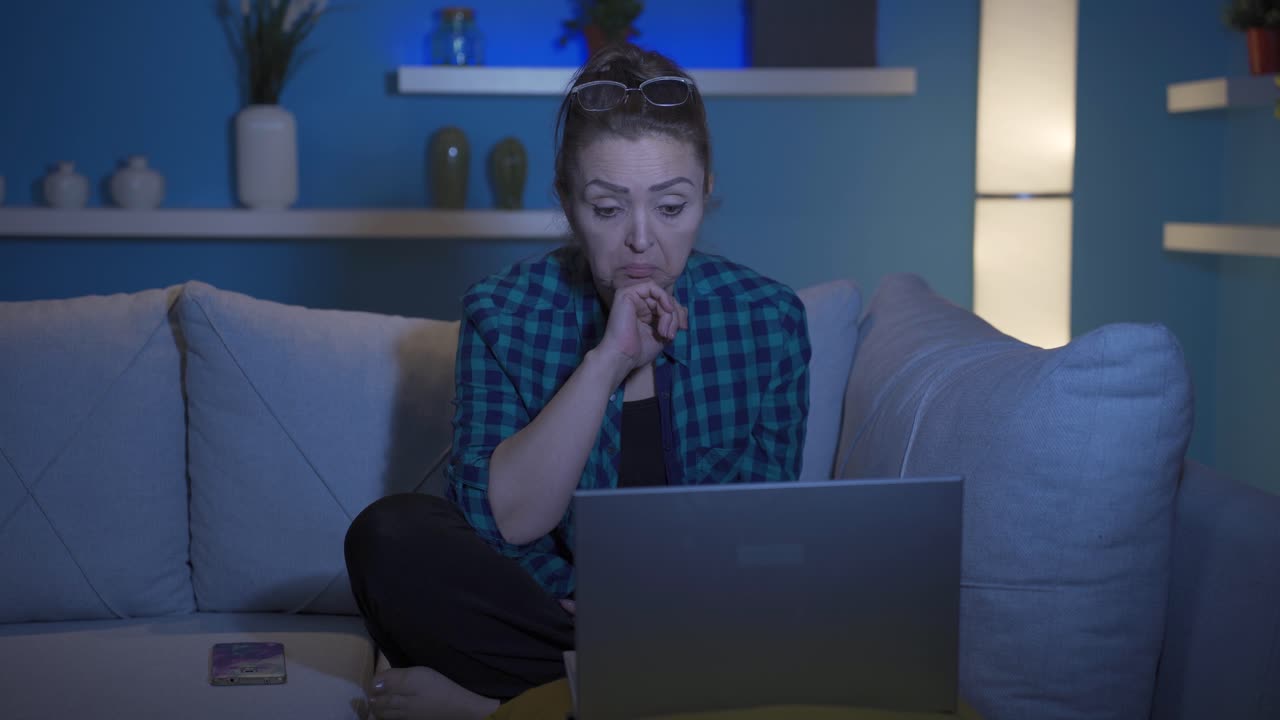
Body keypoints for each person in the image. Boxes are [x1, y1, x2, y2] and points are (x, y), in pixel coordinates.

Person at [344, 44, 811, 720]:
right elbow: (506, 523)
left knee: (819, 610)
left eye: (672, 207)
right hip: (563, 614)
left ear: (706, 193)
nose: (641, 242)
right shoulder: (501, 313)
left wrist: (634, 612)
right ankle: (603, 689)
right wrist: (606, 364)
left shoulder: (770, 321)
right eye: (608, 208)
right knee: (387, 538)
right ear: (567, 202)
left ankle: (510, 702)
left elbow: (758, 544)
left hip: (697, 617)